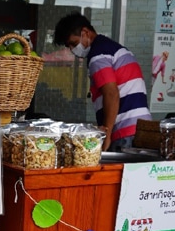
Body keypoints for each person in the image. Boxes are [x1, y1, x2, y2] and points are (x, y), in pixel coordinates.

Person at [54, 13, 152, 151]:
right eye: (68, 46)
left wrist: (106, 134)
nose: (72, 50)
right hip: (141, 128)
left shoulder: (98, 55)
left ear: (85, 32)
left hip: (123, 131)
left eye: (74, 44)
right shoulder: (113, 48)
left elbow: (111, 94)